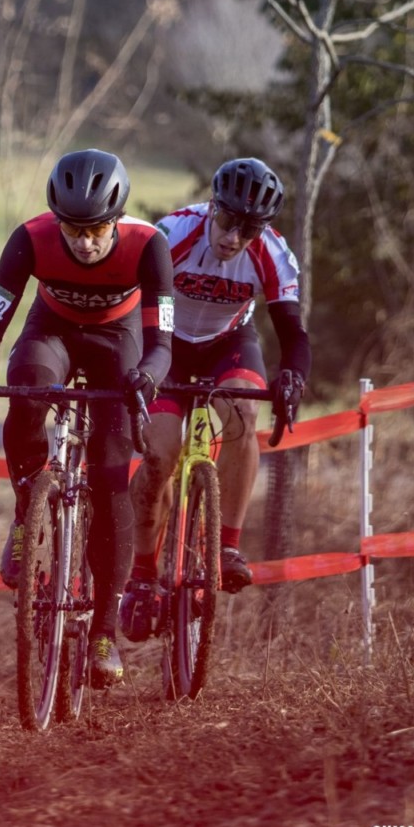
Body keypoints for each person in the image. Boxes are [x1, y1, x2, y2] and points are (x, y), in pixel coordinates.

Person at [0, 149, 174, 689]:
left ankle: (103, 631)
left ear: (115, 219)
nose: (86, 242)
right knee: (26, 384)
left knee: (110, 473)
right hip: (51, 329)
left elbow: (162, 342)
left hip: (118, 341)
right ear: (59, 220)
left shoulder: (150, 246)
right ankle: (28, 512)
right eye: (74, 229)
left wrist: (146, 375)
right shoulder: (31, 237)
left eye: (97, 229)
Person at [119, 157, 311, 643]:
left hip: (229, 343)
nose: (233, 238)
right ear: (212, 208)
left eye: (249, 229)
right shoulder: (173, 234)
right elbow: (124, 302)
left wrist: (293, 378)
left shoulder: (271, 253)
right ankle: (142, 575)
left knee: (245, 410)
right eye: (227, 222)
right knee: (159, 454)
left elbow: (292, 333)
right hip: (166, 346)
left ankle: (226, 546)